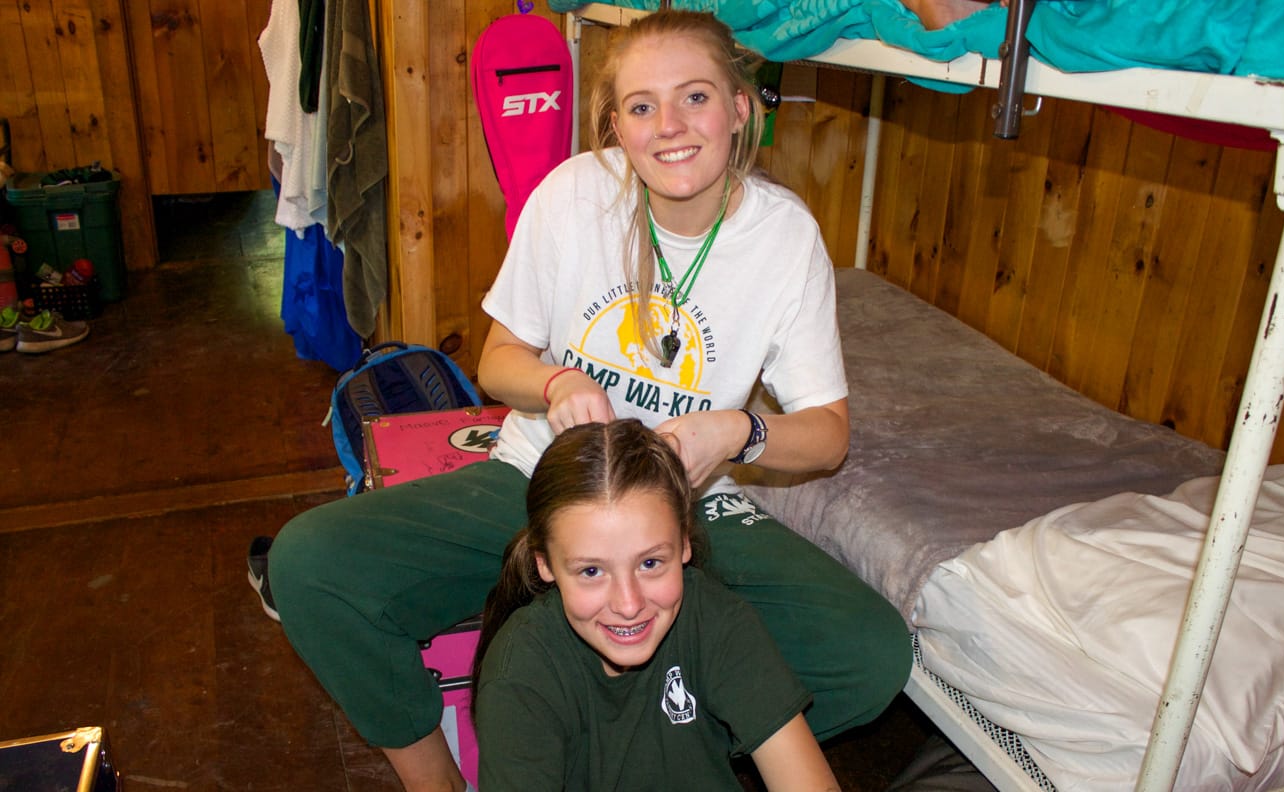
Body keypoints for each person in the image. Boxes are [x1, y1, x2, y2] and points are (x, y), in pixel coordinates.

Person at [268, 10, 910, 792]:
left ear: (742, 107)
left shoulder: (785, 238)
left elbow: (826, 436)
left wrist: (735, 433)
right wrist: (557, 383)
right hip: (536, 479)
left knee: (869, 653)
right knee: (309, 563)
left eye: (696, 97)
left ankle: (664, 743)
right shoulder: (572, 198)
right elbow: (499, 357)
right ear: (615, 124)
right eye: (642, 106)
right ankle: (436, 779)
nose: (669, 127)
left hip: (685, 505)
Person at [473, 419, 841, 791]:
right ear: (545, 565)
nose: (629, 604)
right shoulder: (521, 674)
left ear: (684, 543)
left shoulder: (716, 619)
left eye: (650, 563)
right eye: (591, 571)